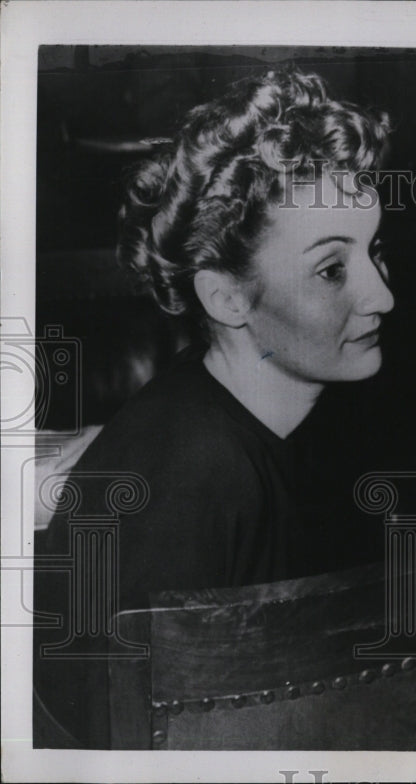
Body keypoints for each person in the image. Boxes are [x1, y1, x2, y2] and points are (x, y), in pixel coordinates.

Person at [34, 69, 394, 748]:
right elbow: (135, 743)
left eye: (375, 253)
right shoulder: (192, 471)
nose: (383, 297)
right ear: (226, 299)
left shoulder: (277, 430)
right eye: (331, 269)